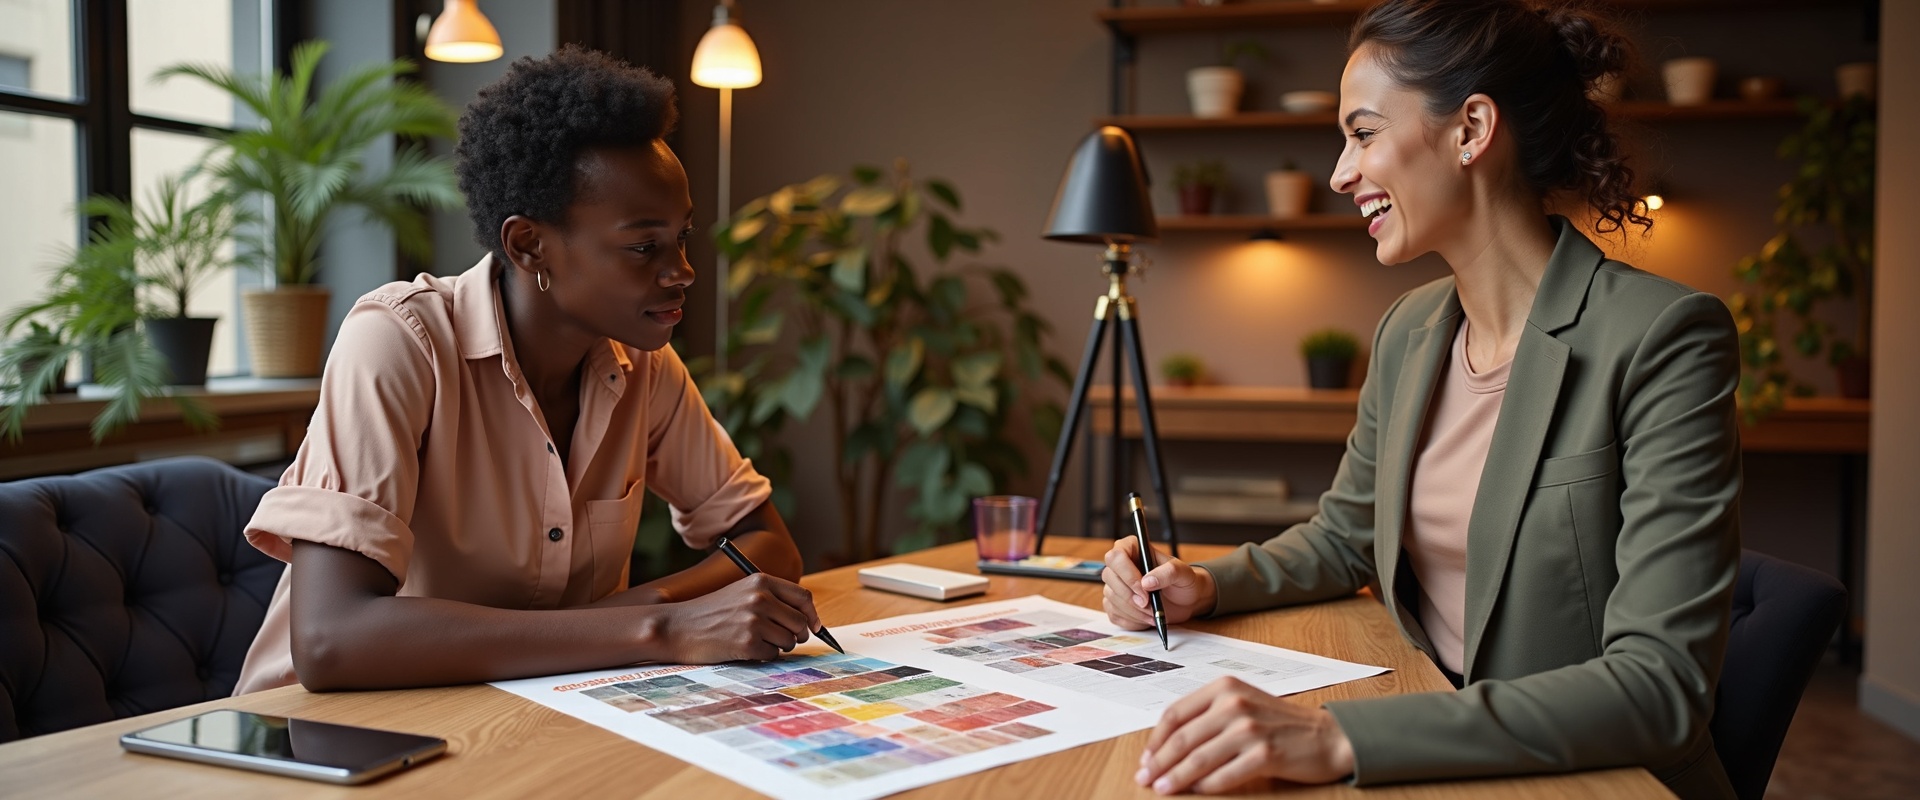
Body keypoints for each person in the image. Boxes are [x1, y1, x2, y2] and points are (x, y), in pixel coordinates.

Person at [1102, 1, 1741, 797]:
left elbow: (1660, 688)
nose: (1340, 173)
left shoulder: (1663, 337)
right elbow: (1346, 537)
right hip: (1434, 744)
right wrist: (1204, 584)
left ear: (1471, 129)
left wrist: (1338, 735)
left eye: (1363, 134)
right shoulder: (1409, 330)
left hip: (1591, 779)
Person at [234, 46, 821, 694]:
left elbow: (770, 547)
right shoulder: (399, 343)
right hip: (322, 731)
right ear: (528, 244)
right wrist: (660, 627)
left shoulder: (644, 364)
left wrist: (633, 616)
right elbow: (332, 640)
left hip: (523, 715)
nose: (681, 271)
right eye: (643, 246)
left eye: (681, 236)